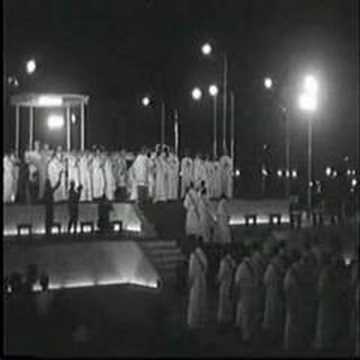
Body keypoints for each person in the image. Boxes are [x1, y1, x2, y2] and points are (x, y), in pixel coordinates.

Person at [314, 252, 350, 351]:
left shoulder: (333, 272)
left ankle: (329, 343)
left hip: (332, 303)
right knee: (325, 325)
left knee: (330, 324)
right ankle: (324, 344)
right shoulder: (327, 272)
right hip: (327, 302)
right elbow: (324, 288)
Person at [283, 249, 317, 351]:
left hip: (294, 299)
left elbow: (287, 286)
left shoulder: (292, 270)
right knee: (302, 322)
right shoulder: (308, 270)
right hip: (304, 300)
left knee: (292, 323)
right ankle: (300, 344)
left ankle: (291, 345)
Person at [262, 241, 288, 344]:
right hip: (276, 289)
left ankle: (273, 335)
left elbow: (266, 279)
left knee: (272, 312)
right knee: (274, 312)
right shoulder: (280, 263)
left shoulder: (273, 264)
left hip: (273, 290)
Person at [234, 246, 257, 343]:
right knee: (251, 314)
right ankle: (251, 333)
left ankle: (246, 337)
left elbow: (237, 282)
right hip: (253, 291)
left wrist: (236, 294)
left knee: (246, 315)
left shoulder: (241, 267)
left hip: (244, 292)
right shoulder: (254, 264)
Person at [187, 237, 208, 329]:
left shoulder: (193, 256)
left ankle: (193, 323)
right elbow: (206, 268)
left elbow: (191, 272)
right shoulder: (203, 255)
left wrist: (189, 282)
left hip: (195, 282)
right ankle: (201, 320)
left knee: (194, 302)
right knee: (201, 301)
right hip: (202, 280)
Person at [216, 245, 236, 327]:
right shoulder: (232, 261)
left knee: (223, 304)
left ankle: (222, 322)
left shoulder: (223, 262)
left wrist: (217, 280)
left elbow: (221, 275)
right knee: (229, 303)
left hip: (224, 285)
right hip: (230, 283)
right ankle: (230, 319)